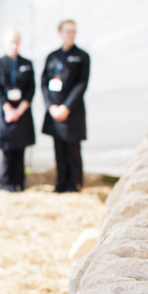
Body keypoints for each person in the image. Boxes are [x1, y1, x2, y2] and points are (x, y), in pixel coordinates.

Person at [41, 20, 90, 192]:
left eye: (74, 31)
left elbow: (81, 84)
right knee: (59, 149)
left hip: (72, 111)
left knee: (73, 149)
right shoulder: (52, 56)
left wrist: (66, 107)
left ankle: (74, 184)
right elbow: (44, 83)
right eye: (68, 31)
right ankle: (60, 183)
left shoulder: (82, 56)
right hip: (55, 111)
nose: (71, 34)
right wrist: (51, 107)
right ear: (60, 32)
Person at [0, 28, 35, 192]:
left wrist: (20, 110)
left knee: (20, 147)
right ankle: (6, 182)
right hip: (5, 112)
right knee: (8, 149)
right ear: (5, 43)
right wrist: (8, 109)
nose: (14, 45)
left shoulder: (26, 64)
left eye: (16, 41)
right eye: (11, 42)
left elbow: (31, 89)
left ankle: (19, 182)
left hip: (21, 112)